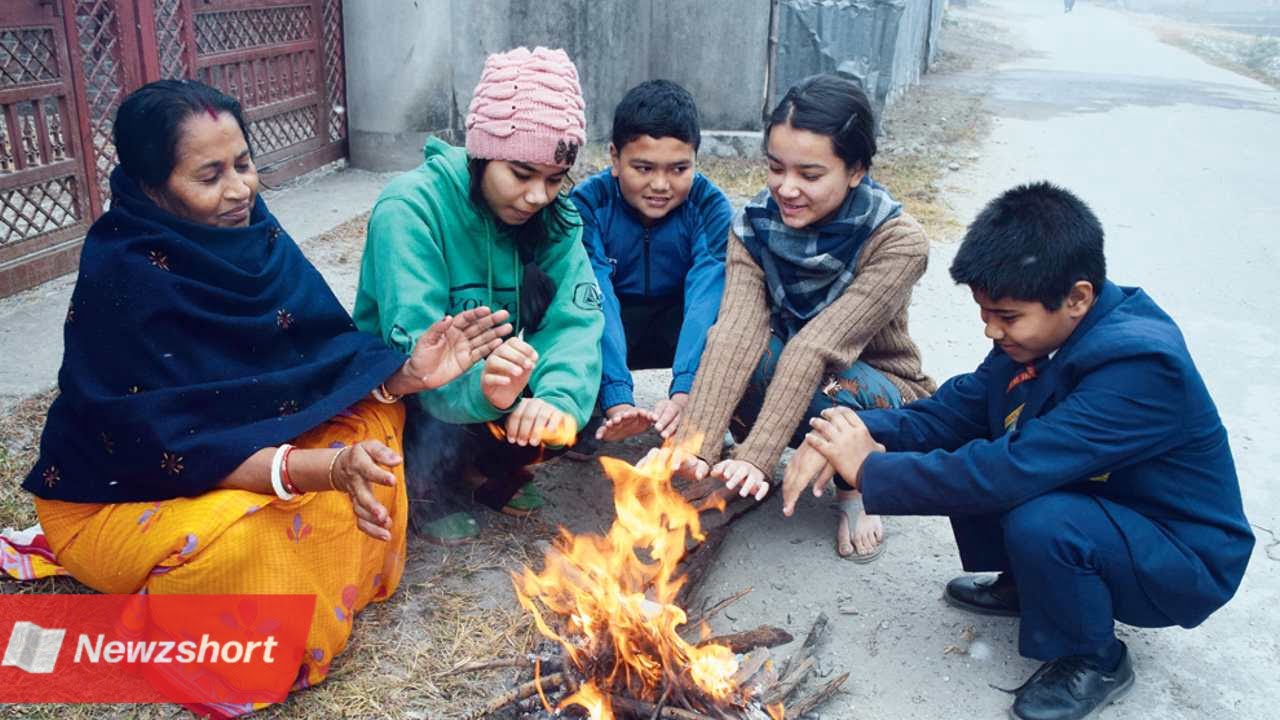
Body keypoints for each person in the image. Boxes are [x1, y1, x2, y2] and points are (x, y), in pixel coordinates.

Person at [19, 79, 513, 714]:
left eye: (245, 164)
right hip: (121, 494)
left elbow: (315, 360)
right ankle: (161, 624)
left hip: (243, 457)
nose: (240, 190)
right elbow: (165, 445)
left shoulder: (255, 236)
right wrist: (318, 469)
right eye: (210, 175)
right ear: (150, 188)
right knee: (249, 542)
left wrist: (404, 376)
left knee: (374, 422)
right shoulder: (127, 278)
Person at [784, 182, 1254, 720]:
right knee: (991, 440)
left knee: (1036, 508)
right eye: (985, 312)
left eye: (1006, 316)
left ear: (1077, 297)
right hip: (1113, 506)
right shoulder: (1038, 338)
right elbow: (952, 413)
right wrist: (842, 430)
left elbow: (1008, 471)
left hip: (1179, 554)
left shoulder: (1141, 367)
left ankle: (1093, 657)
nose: (990, 329)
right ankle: (1031, 589)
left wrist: (868, 469)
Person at [667, 73, 935, 560]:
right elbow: (736, 334)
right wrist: (695, 446)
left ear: (855, 170)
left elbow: (821, 346)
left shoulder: (898, 241)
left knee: (833, 379)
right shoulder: (752, 225)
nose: (786, 189)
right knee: (735, 348)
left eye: (810, 175)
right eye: (775, 168)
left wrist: (757, 452)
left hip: (872, 387)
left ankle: (858, 486)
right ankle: (744, 475)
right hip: (794, 366)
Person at [353, 46, 604, 543]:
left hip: (492, 383)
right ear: (482, 153)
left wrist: (555, 401)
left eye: (555, 179)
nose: (538, 197)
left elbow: (575, 321)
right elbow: (414, 352)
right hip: (419, 388)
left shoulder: (555, 218)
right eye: (522, 174)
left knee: (572, 403)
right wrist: (483, 390)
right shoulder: (410, 208)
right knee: (421, 404)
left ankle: (485, 470)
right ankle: (428, 489)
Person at [568, 80, 732, 452]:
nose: (660, 185)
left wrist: (687, 389)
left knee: (733, 318)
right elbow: (595, 296)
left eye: (678, 169)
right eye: (642, 168)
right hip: (614, 320)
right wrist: (617, 396)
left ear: (695, 160)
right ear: (614, 158)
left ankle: (709, 413)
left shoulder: (709, 207)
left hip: (676, 322)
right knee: (565, 311)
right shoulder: (588, 205)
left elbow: (706, 295)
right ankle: (590, 407)